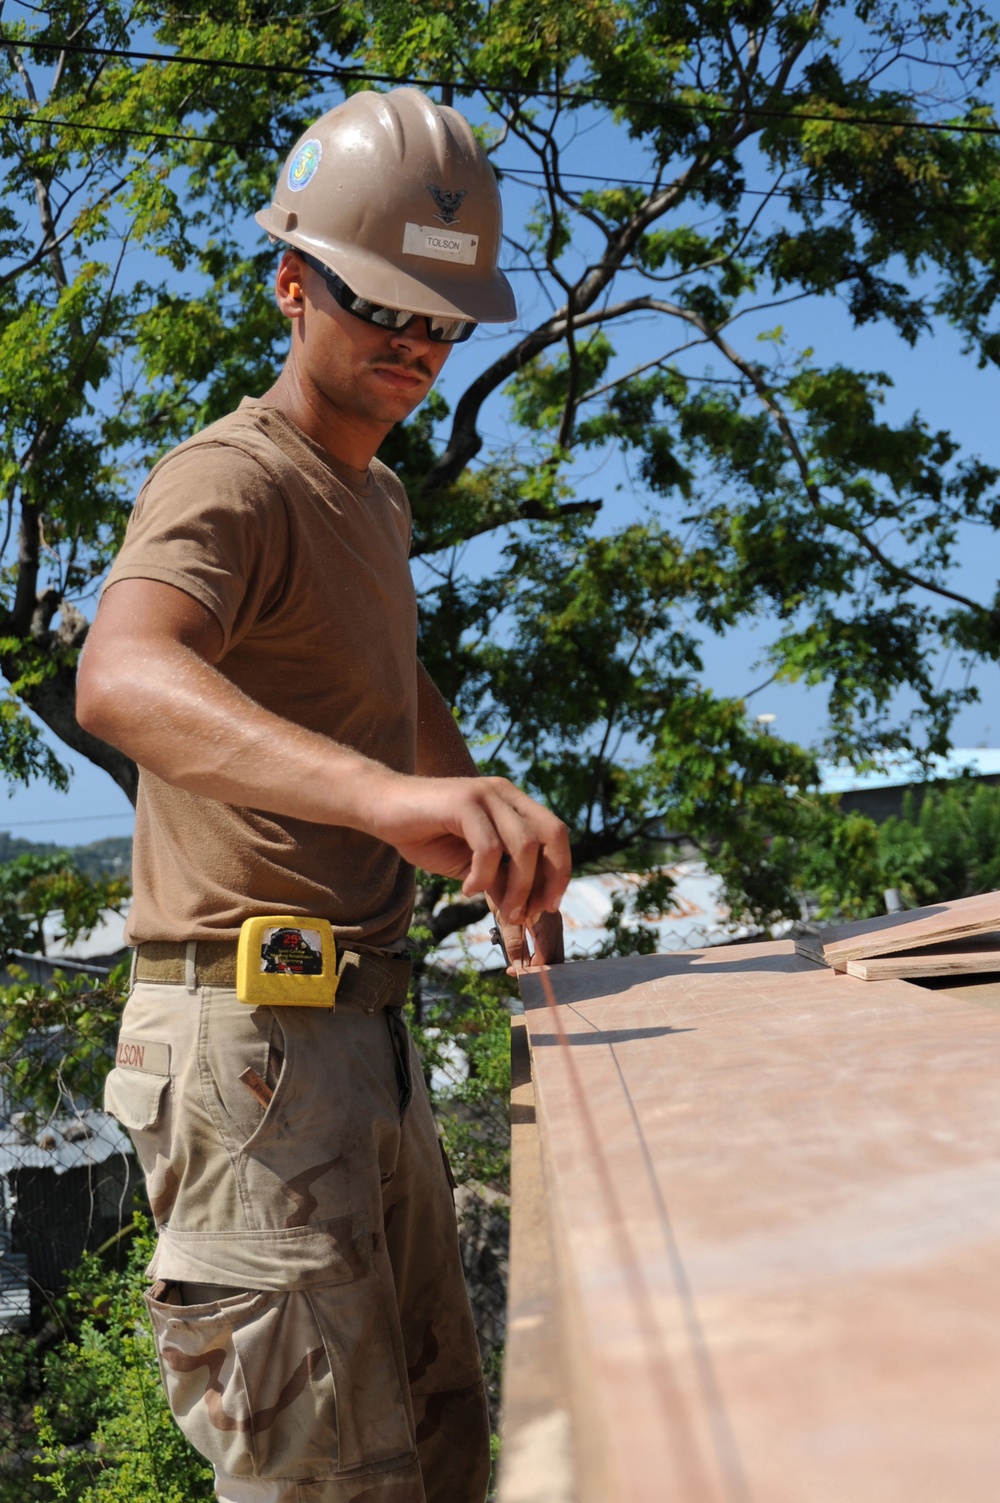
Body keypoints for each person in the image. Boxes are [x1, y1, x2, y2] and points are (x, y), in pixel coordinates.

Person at [76, 86, 570, 1503]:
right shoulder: (231, 480)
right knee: (328, 1485)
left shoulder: (376, 497)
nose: (418, 346)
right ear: (293, 284)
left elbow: (395, 695)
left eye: (443, 320)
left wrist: (473, 814)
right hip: (247, 1055)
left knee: (435, 1457)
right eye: (386, 310)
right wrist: (375, 799)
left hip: (362, 1034)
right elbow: (122, 678)